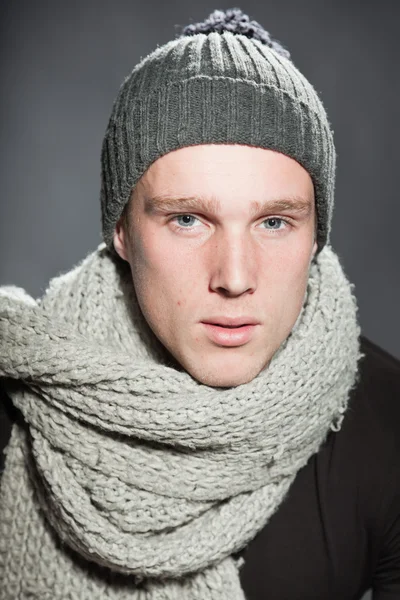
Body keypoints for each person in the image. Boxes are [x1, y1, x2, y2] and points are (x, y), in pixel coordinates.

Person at [0, 7, 399, 600]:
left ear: (316, 234)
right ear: (122, 232)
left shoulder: (388, 424)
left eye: (274, 222)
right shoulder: (15, 407)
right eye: (187, 219)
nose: (235, 278)